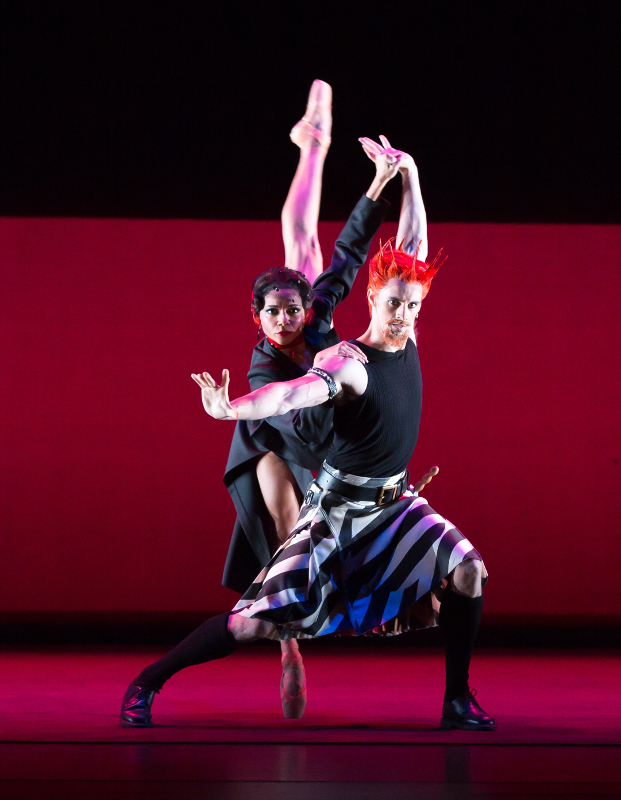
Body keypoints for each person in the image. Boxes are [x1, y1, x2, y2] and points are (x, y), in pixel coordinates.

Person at [120, 231, 496, 732]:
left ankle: (455, 700)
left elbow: (415, 243)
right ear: (371, 298)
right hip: (336, 516)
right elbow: (288, 396)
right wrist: (231, 409)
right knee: (252, 622)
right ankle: (148, 681)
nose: (403, 314)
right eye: (393, 303)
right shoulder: (348, 360)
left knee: (468, 570)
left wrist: (407, 172)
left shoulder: (409, 338)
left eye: (412, 305)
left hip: (395, 506)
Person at [222, 81, 426, 718]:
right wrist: (232, 411)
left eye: (293, 310)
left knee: (305, 248)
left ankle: (312, 147)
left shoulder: (315, 319)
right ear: (257, 318)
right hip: (281, 432)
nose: (285, 321)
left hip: (328, 414)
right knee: (286, 528)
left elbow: (349, 248)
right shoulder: (265, 363)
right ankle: (289, 650)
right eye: (274, 314)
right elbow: (291, 415)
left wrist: (380, 184)